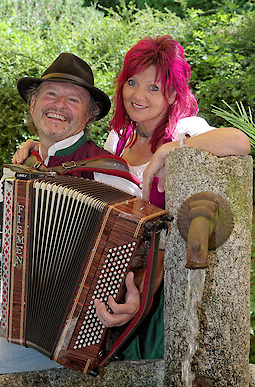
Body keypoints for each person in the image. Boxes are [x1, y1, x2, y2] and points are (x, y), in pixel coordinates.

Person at [13, 36, 250, 360]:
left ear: (171, 93)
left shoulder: (186, 128)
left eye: (153, 88)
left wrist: (171, 148)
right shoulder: (117, 140)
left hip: (165, 289)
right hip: (121, 278)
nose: (138, 95)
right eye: (132, 82)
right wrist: (36, 144)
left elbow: (239, 141)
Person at [0, 52, 142, 387]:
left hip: (82, 337)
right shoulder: (22, 169)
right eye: (51, 94)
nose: (59, 105)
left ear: (89, 113)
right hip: (19, 328)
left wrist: (130, 298)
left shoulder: (111, 175)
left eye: (73, 99)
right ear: (33, 103)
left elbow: (140, 252)